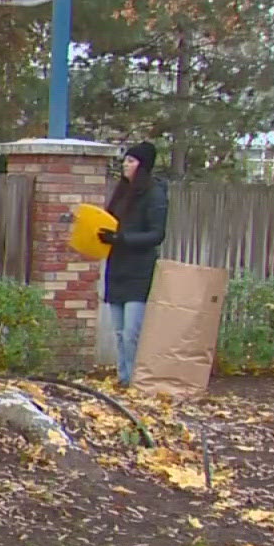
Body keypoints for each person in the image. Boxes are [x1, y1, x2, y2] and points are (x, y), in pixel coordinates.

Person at [98, 141, 169, 388]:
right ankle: (123, 378)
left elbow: (156, 234)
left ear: (143, 165)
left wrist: (122, 239)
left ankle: (136, 381)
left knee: (132, 333)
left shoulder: (154, 194)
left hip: (139, 271)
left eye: (131, 161)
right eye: (125, 161)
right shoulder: (121, 193)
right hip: (116, 268)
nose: (125, 166)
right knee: (118, 332)